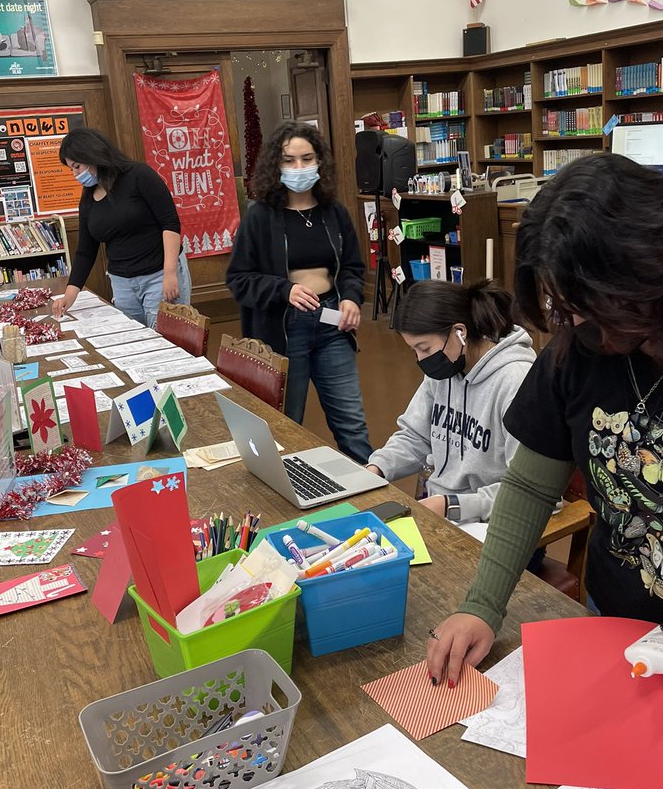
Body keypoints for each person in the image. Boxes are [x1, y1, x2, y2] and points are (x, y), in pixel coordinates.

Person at [427, 153, 663, 732]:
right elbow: (529, 486)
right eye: (566, 309)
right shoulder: (579, 346)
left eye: (599, 308)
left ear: (660, 271)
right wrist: (482, 605)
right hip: (619, 640)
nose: (580, 328)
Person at [225, 120, 372, 463]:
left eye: (307, 159)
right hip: (283, 328)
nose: (299, 167)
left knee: (352, 424)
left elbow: (352, 266)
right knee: (285, 424)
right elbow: (239, 278)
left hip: (332, 321)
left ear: (320, 161)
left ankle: (373, 485)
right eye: (289, 160)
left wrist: (351, 297)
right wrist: (283, 290)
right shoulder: (260, 216)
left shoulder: (334, 212)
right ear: (275, 165)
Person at [365, 279, 535, 528]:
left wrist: (452, 505)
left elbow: (529, 489)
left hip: (493, 522)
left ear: (459, 332)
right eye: (414, 351)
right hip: (443, 511)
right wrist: (376, 469)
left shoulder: (516, 380)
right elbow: (415, 436)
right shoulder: (447, 368)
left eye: (424, 348)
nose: (421, 359)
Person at [52, 128, 191, 326]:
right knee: (134, 339)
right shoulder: (88, 200)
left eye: (77, 167)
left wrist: (170, 272)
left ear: (92, 156)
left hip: (159, 274)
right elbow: (85, 252)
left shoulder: (138, 175)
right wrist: (69, 295)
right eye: (71, 170)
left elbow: (169, 223)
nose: (75, 174)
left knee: (164, 336)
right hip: (122, 283)